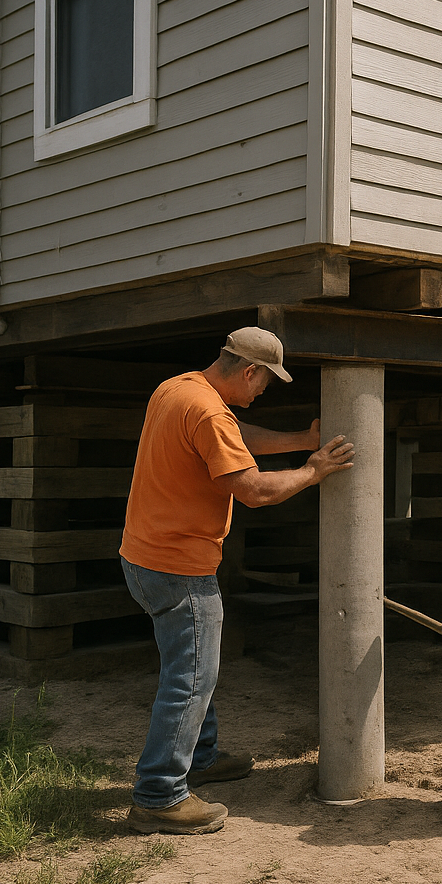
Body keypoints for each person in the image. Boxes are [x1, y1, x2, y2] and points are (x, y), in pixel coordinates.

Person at [121, 327, 354, 835]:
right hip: (179, 569)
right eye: (265, 384)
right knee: (190, 679)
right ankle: (159, 795)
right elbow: (252, 490)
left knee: (191, 667)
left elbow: (234, 436)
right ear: (249, 371)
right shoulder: (206, 410)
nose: (263, 393)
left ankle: (199, 758)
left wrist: (299, 440)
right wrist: (312, 470)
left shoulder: (180, 389)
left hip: (142, 556)